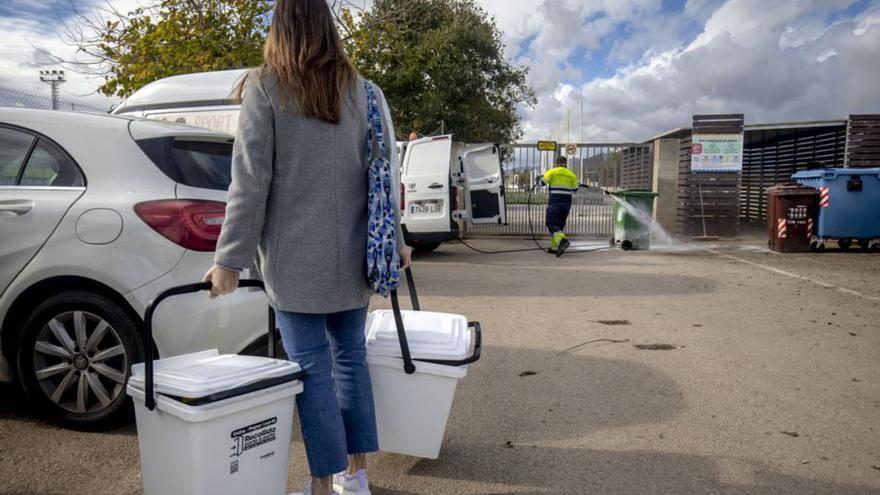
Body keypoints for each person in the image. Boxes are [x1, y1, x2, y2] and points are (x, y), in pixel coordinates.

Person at [203, 1, 412, 494]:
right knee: (350, 360)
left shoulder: (266, 87)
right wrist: (397, 242)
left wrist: (228, 260)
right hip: (356, 258)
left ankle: (321, 485)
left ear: (281, 28)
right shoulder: (365, 91)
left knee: (312, 369)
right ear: (327, 28)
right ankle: (356, 477)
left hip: (294, 263)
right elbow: (384, 178)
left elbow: (250, 184)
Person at [540, 156, 581, 257]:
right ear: (565, 163)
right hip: (567, 202)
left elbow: (541, 183)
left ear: (556, 163)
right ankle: (555, 248)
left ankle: (562, 241)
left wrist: (539, 178)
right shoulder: (571, 174)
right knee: (559, 225)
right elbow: (575, 189)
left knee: (551, 223)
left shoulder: (552, 171)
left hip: (555, 201)